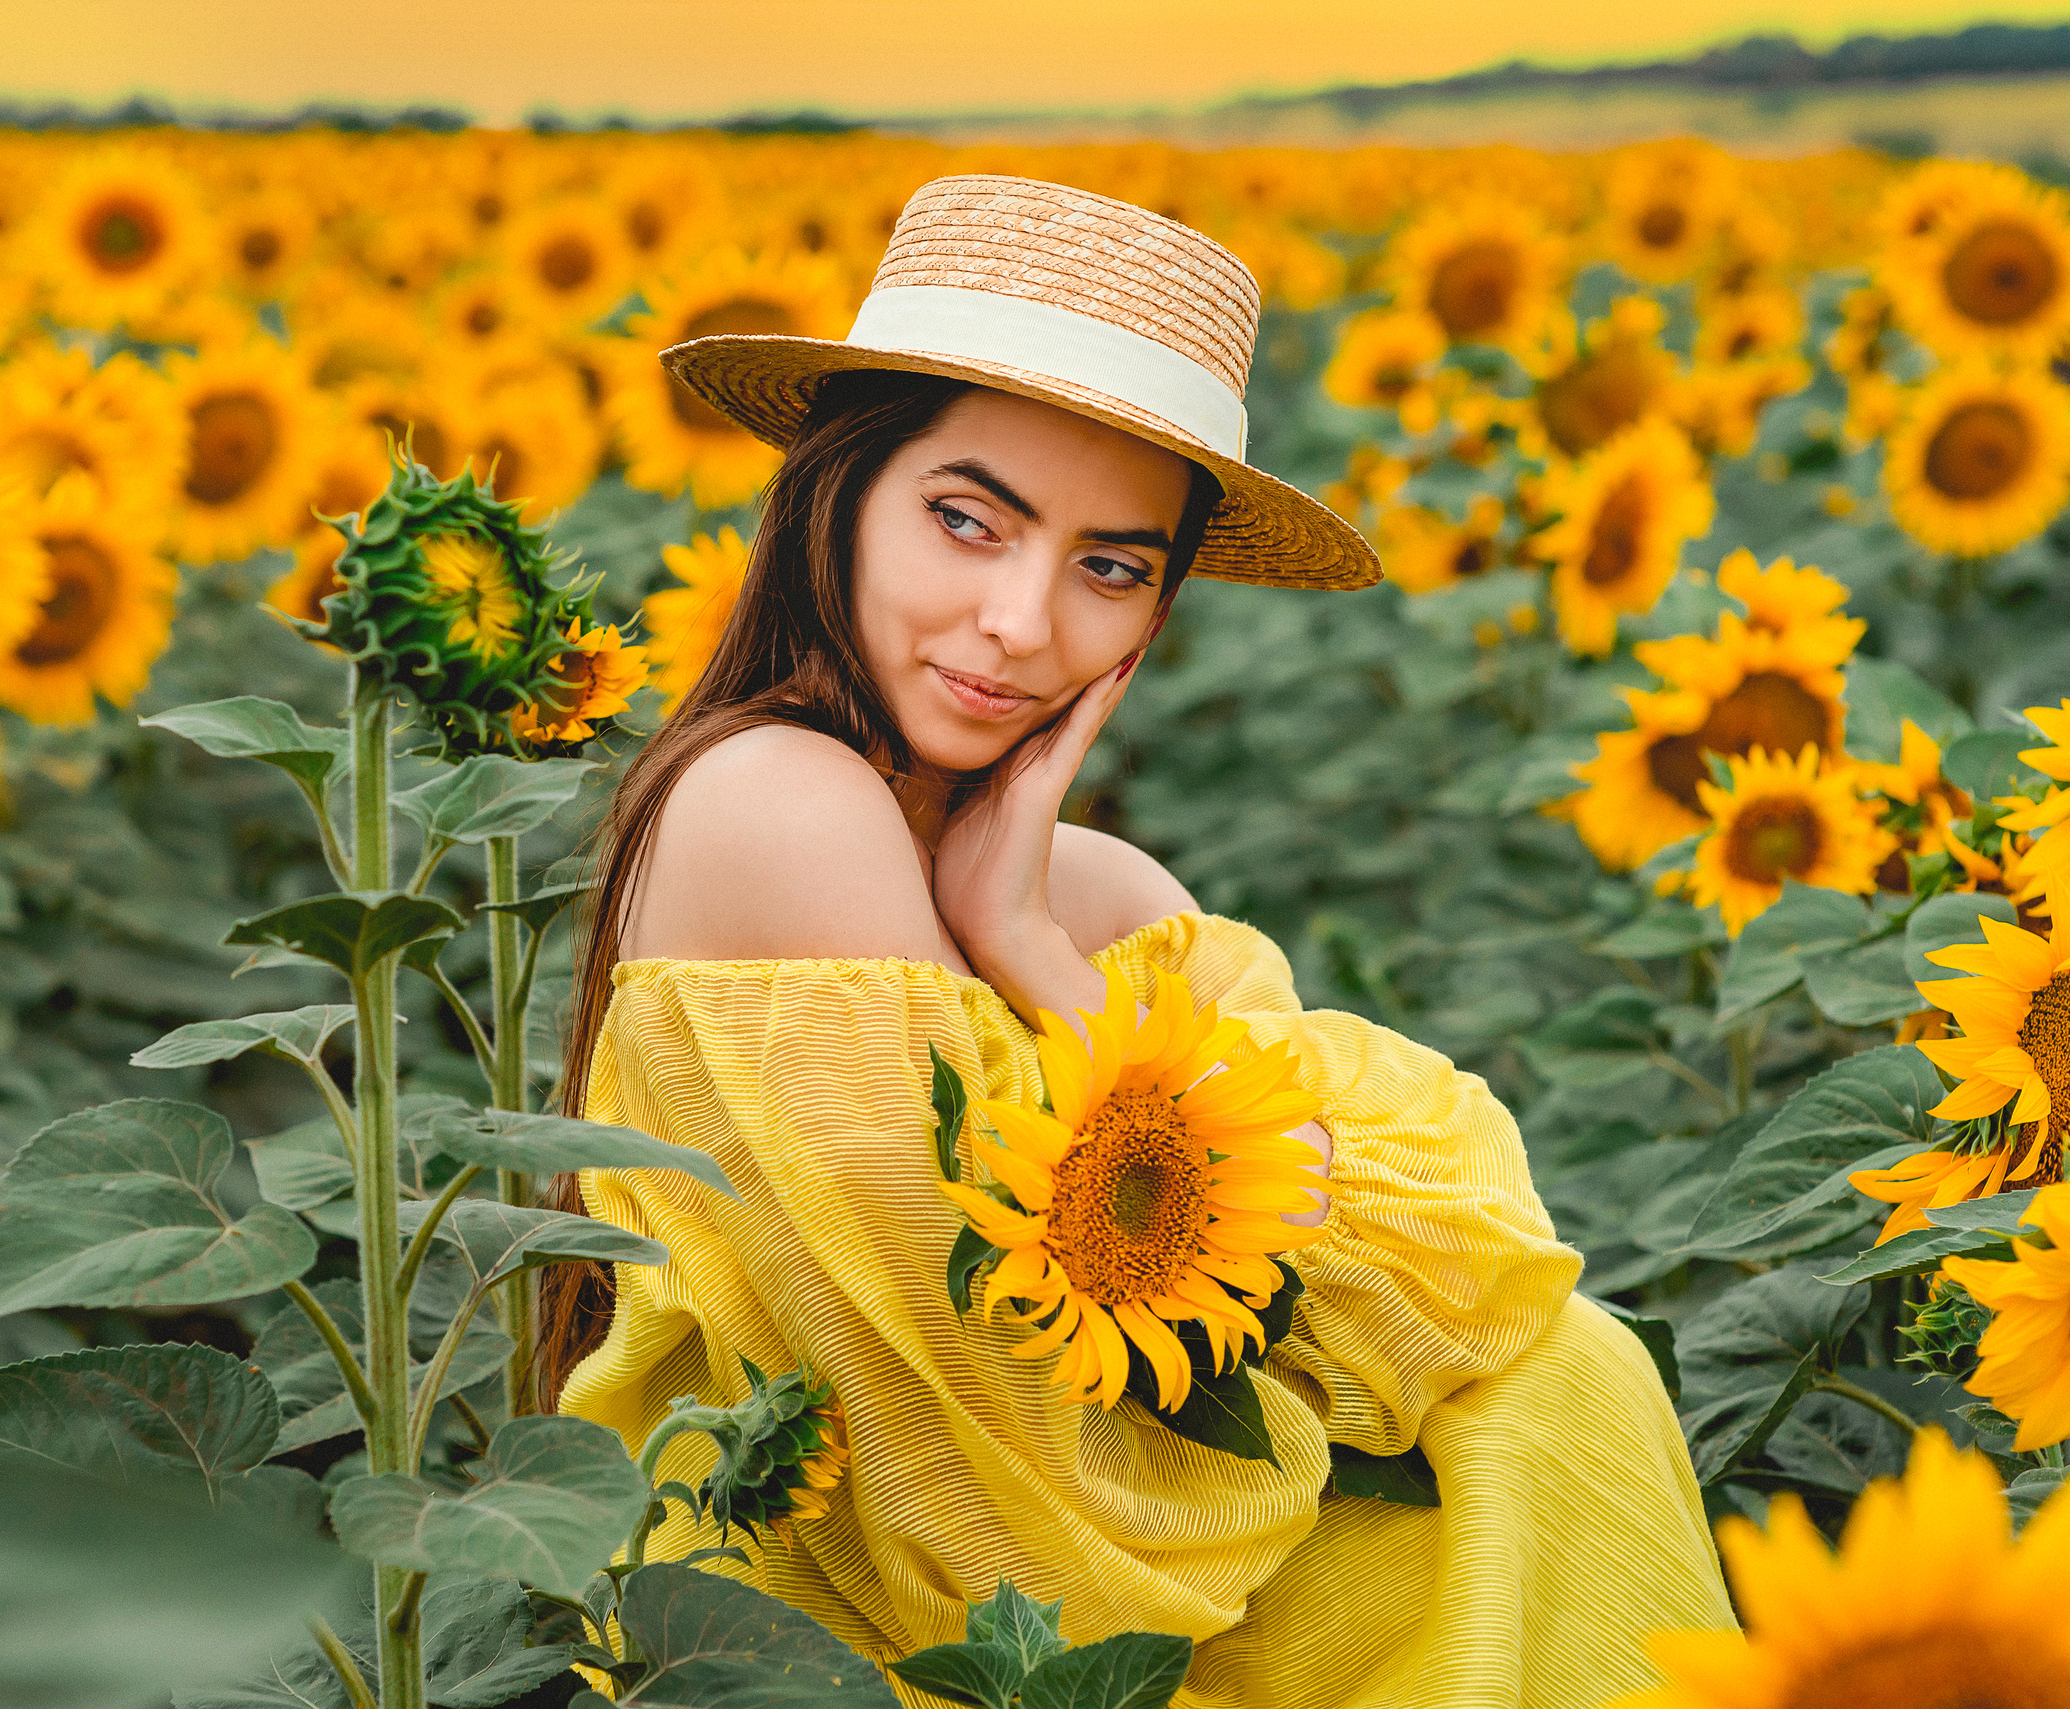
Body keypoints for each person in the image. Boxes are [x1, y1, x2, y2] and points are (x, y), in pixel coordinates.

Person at [542, 175, 1731, 1708]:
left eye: (1112, 565)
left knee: (1564, 1372)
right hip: (844, 1639)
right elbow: (971, 1484)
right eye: (966, 519)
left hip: (1078, 1603)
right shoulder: (777, 798)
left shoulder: (1090, 896)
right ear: (834, 492)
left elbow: (1435, 1264)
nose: (1019, 624)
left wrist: (1028, 945)